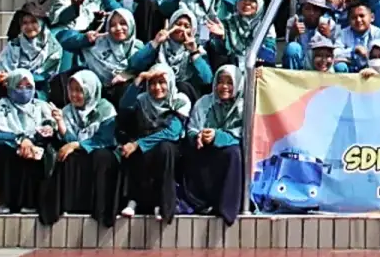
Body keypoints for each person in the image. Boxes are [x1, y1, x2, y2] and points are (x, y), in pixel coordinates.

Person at [38, 69, 119, 227]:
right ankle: (70, 206)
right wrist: (61, 124)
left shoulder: (106, 109)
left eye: (79, 91)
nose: (74, 95)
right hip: (81, 151)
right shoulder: (68, 111)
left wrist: (78, 145)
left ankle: (101, 211)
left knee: (101, 157)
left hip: (102, 149)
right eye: (71, 90)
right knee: (66, 157)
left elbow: (105, 139)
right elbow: (69, 142)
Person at [113, 63, 190, 222]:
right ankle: (133, 201)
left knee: (163, 149)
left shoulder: (180, 100)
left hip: (171, 144)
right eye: (152, 83)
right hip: (146, 138)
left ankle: (162, 204)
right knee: (132, 149)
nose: (157, 87)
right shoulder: (142, 99)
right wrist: (139, 79)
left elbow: (173, 132)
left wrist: (139, 144)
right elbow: (124, 106)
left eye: (161, 82)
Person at [179, 65, 246, 225]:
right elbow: (192, 128)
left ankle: (227, 210)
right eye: (220, 82)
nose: (224, 87)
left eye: (229, 82)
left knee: (233, 153)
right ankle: (197, 203)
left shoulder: (244, 106)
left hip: (228, 149)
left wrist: (218, 136)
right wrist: (198, 136)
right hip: (206, 148)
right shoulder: (204, 102)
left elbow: (244, 133)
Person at [0, 69, 55, 215]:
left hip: (33, 144)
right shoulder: (2, 105)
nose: (24, 91)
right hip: (10, 144)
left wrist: (32, 140)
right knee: (3, 152)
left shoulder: (40, 106)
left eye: (28, 87)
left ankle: (29, 201)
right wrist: (19, 140)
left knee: (37, 153)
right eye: (19, 86)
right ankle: (4, 201)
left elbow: (50, 127)